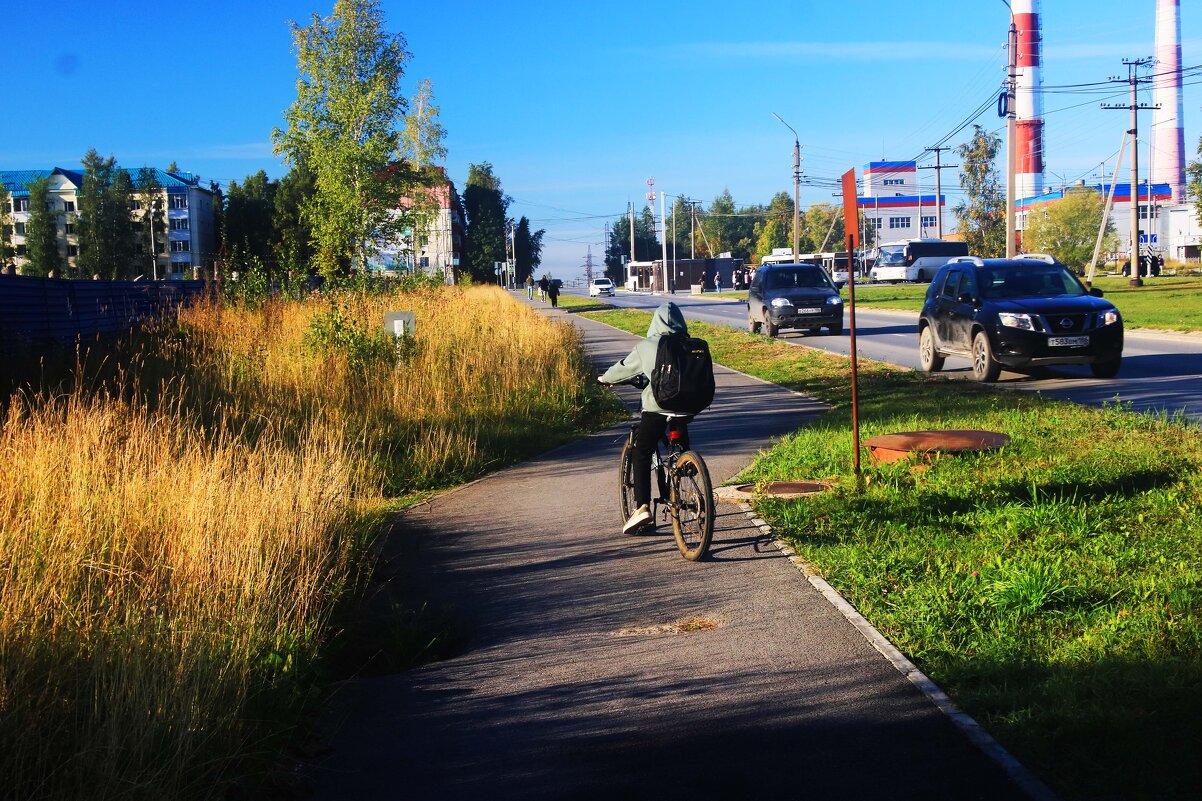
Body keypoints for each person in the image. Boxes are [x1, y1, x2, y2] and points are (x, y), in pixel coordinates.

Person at [598, 302, 692, 533]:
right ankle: (686, 466)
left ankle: (642, 507)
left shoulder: (648, 346)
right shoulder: (691, 345)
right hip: (689, 407)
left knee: (642, 451)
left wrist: (604, 379)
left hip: (657, 409)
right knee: (677, 441)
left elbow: (623, 369)